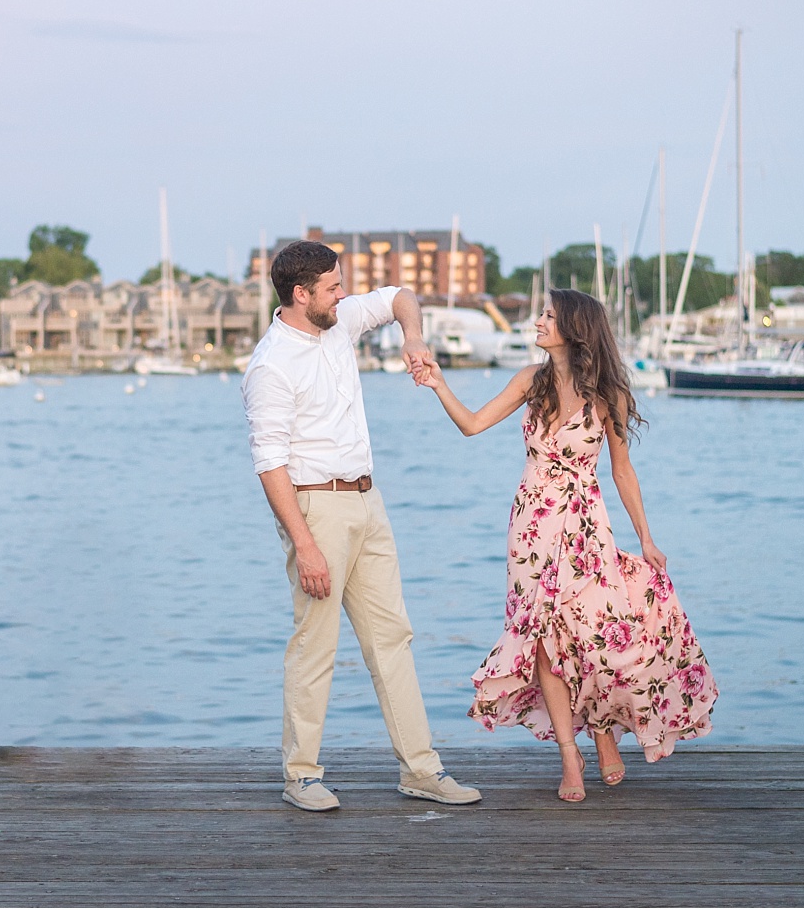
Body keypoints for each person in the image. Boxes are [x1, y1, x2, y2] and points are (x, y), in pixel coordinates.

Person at [415, 287, 717, 803]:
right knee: (543, 642)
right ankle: (569, 755)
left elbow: (622, 470)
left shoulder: (608, 396)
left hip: (584, 528)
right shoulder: (529, 382)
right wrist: (439, 383)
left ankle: (602, 731)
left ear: (574, 328)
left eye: (548, 315)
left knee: (594, 634)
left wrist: (646, 538)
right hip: (531, 529)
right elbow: (472, 425)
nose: (538, 321)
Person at [241, 239, 482, 813]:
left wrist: (413, 336)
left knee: (392, 637)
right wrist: (305, 546)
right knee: (315, 644)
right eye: (332, 287)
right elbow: (269, 464)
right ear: (301, 295)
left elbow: (400, 296)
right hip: (315, 509)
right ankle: (301, 776)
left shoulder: (340, 321)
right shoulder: (270, 366)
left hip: (368, 501)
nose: (342, 294)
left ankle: (421, 770)